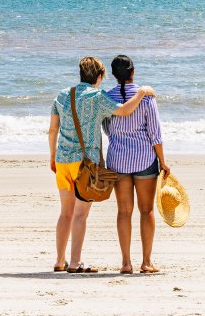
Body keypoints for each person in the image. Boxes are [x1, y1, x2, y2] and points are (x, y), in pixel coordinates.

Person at [48, 56, 154, 274]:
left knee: (65, 213)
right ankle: (75, 263)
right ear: (99, 76)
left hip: (62, 160)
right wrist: (142, 93)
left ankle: (60, 260)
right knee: (80, 215)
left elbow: (52, 130)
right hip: (83, 164)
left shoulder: (62, 95)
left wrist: (52, 156)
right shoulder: (97, 97)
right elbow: (124, 110)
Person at [104, 55, 170, 274]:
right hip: (144, 160)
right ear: (133, 72)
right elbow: (155, 135)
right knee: (146, 210)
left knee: (123, 212)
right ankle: (146, 262)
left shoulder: (106, 97)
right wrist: (163, 162)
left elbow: (106, 129)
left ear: (113, 75)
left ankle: (125, 263)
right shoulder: (147, 98)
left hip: (118, 160)